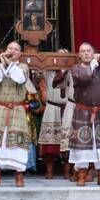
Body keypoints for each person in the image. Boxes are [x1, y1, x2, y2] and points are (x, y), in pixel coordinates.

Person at [0, 41, 33, 187]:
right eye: (10, 48)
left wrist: (9, 64)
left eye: (16, 49)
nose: (13, 50)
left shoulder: (23, 67)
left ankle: (19, 175)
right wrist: (2, 64)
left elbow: (20, 79)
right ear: (5, 50)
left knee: (17, 143)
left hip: (16, 109)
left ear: (20, 54)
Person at [67, 42, 100, 187]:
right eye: (82, 51)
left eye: (88, 51)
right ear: (79, 55)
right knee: (82, 146)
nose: (85, 53)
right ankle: (82, 175)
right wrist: (95, 62)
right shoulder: (76, 69)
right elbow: (85, 77)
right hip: (82, 112)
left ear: (93, 52)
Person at [38, 49, 70, 179]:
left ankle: (68, 170)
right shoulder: (47, 71)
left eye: (65, 56)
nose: (61, 58)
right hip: (52, 108)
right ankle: (49, 170)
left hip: (68, 108)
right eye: (59, 55)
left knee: (68, 141)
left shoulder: (73, 71)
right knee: (50, 142)